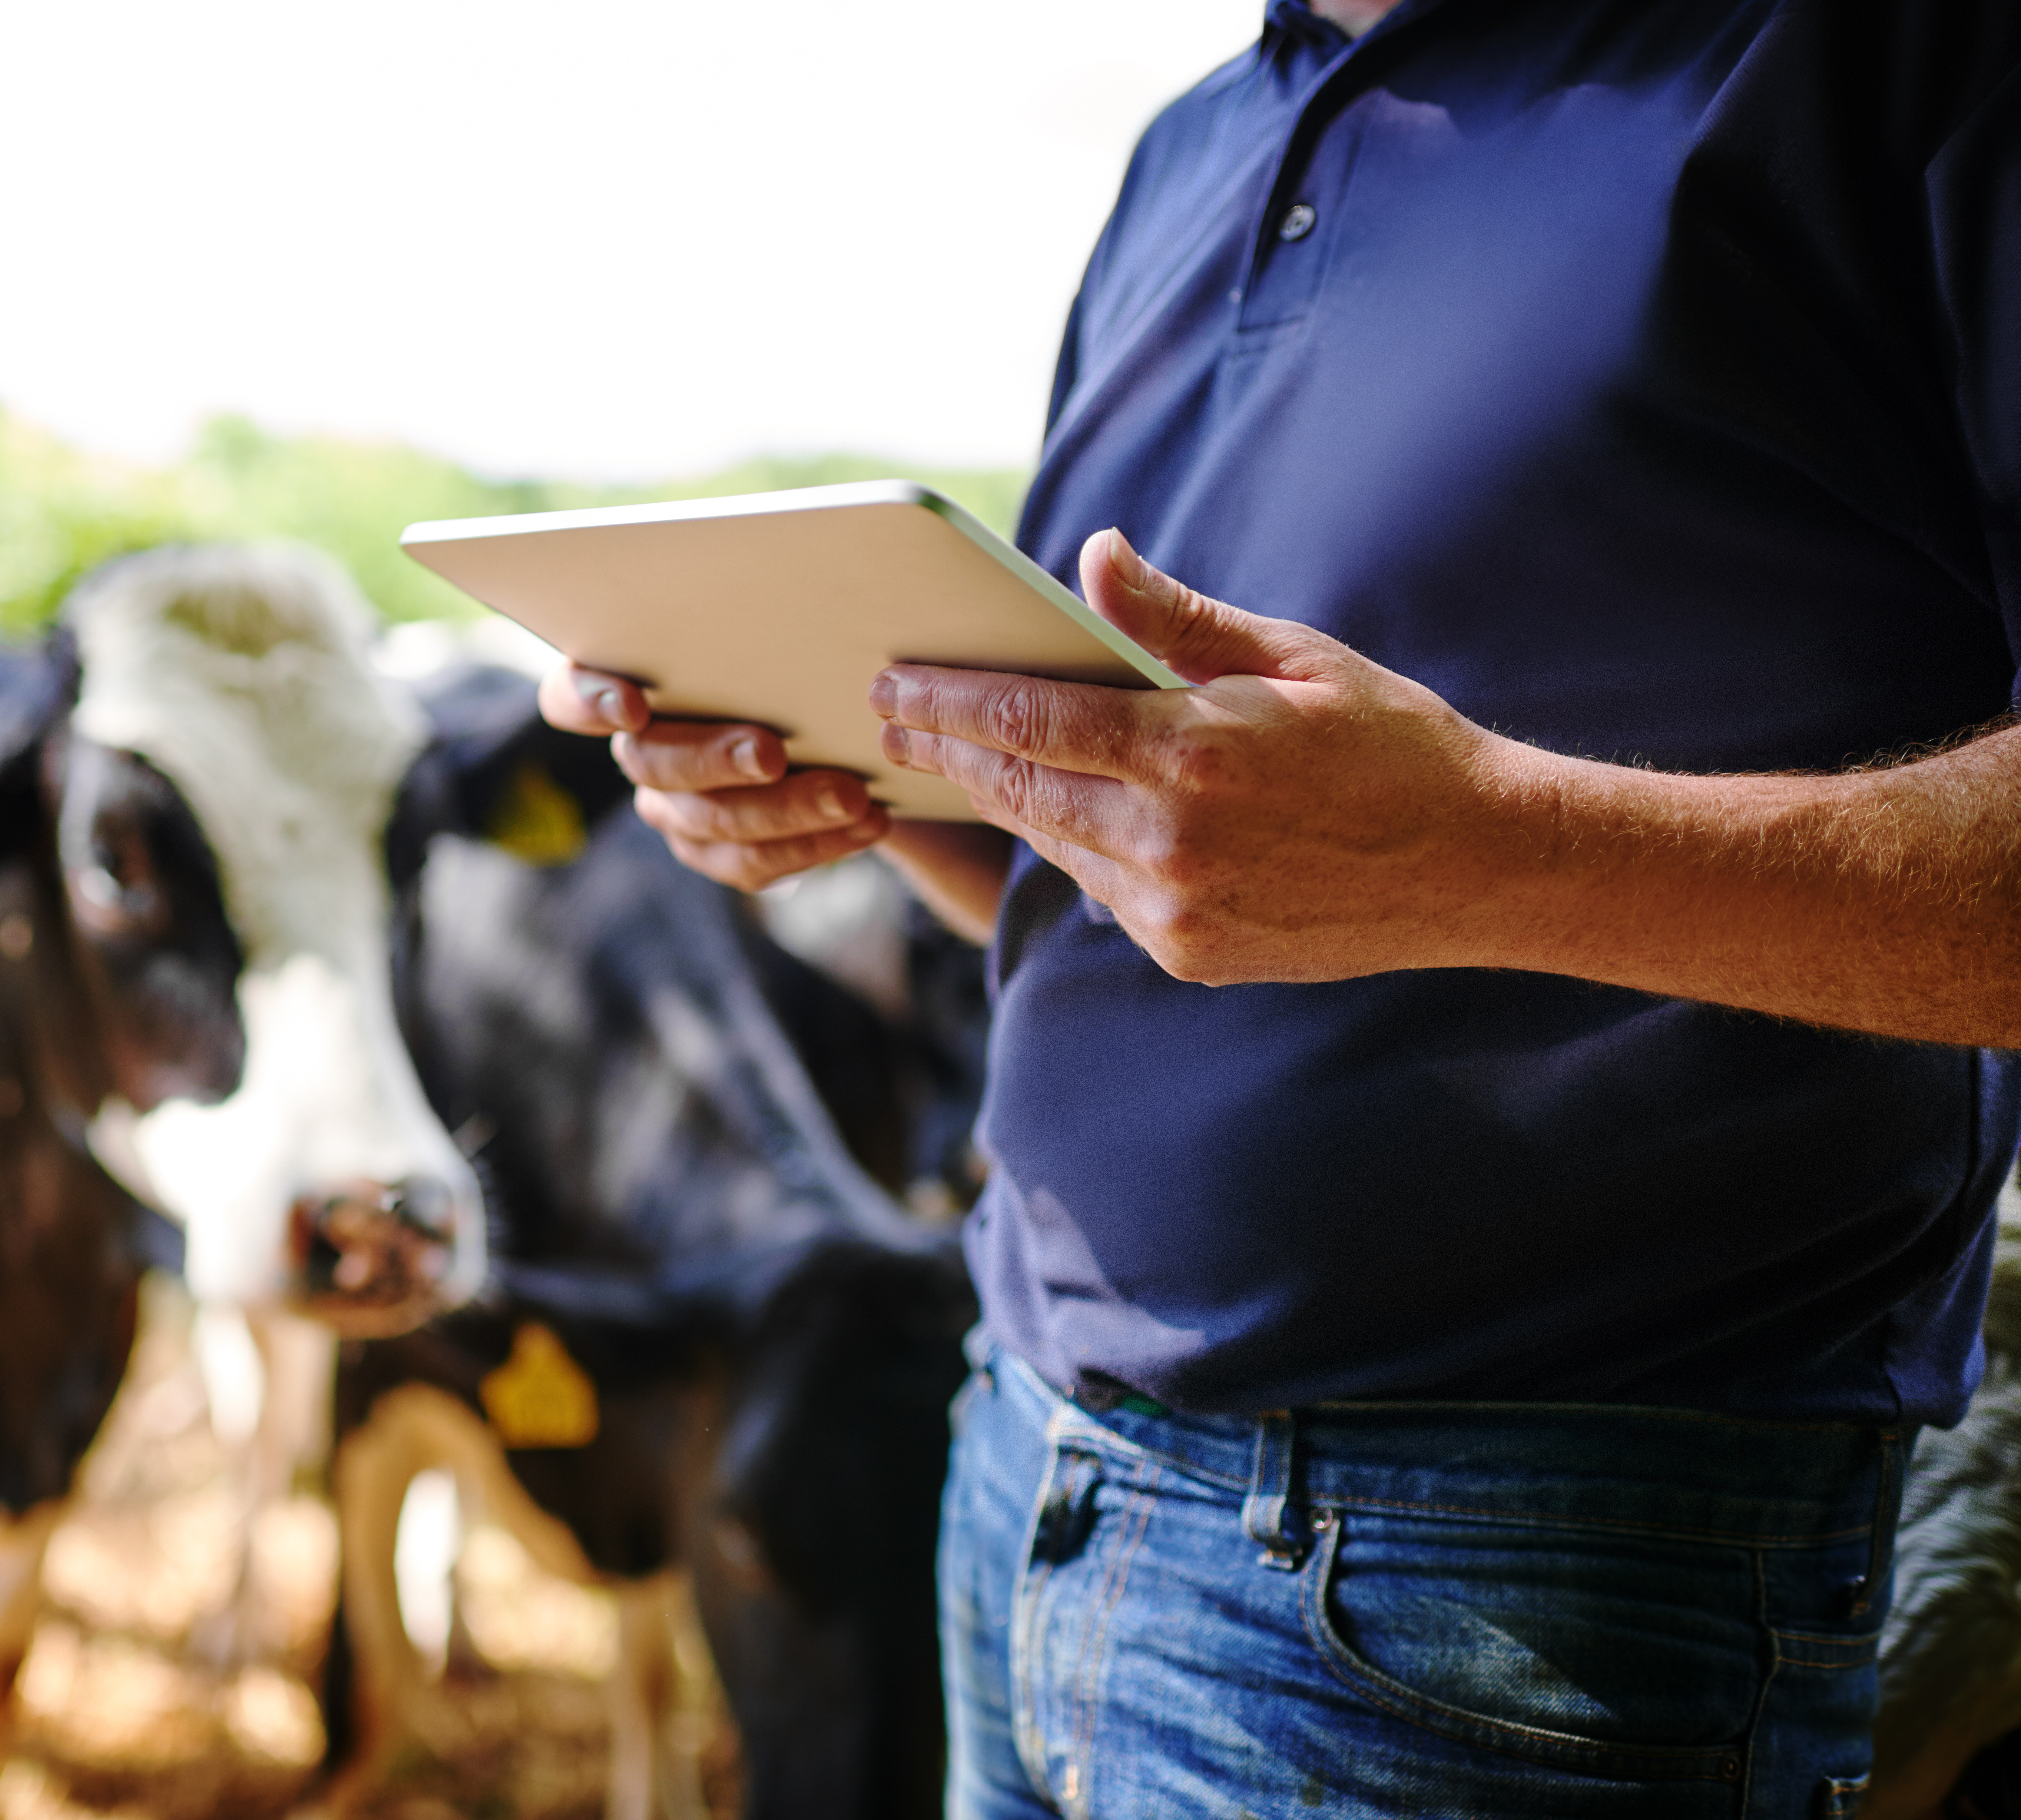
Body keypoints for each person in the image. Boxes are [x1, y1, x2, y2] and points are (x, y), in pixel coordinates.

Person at [542, 0, 2021, 1812]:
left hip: (1507, 1563)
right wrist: (865, 799)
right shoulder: (1191, 144)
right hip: (1022, 1449)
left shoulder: (1893, 55)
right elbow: (1197, 870)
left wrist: (1495, 841)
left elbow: (1388, 853)